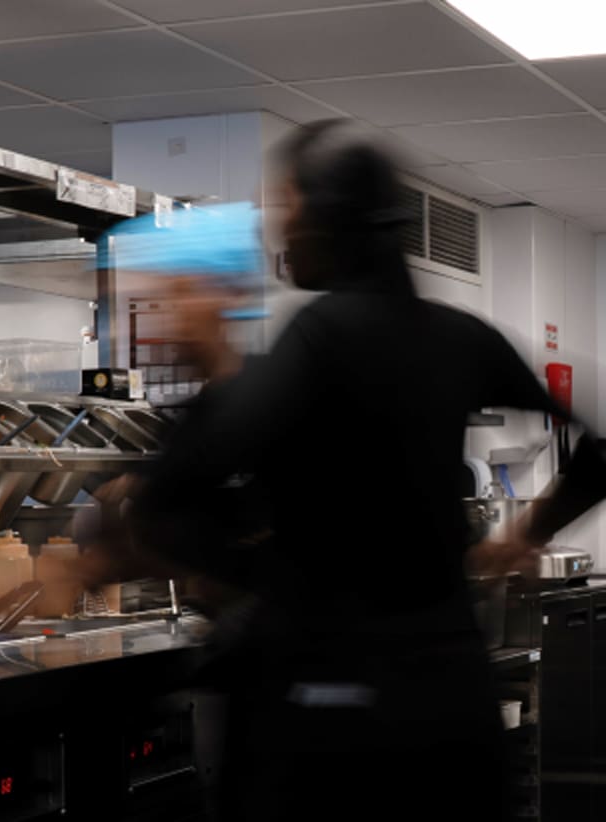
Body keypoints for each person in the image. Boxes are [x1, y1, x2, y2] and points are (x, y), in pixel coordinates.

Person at [78, 119, 606, 822]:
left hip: (334, 712)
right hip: (453, 701)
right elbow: (599, 451)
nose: (280, 236)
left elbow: (176, 491)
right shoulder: (459, 335)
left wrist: (242, 576)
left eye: (285, 209)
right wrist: (527, 533)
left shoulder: (319, 335)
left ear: (324, 216)